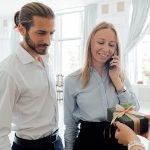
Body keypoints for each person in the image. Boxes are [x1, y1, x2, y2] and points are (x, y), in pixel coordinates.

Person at [64, 22, 140, 150]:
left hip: (118, 140)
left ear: (116, 49)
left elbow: (134, 110)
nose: (106, 49)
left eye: (111, 45)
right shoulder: (72, 80)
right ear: (90, 43)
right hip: (88, 142)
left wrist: (117, 81)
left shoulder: (120, 75)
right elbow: (70, 125)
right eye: (100, 42)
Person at [0, 2, 64, 150]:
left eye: (51, 33)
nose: (48, 41)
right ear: (22, 29)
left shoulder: (45, 58)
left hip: (56, 142)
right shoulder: (8, 71)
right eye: (41, 33)